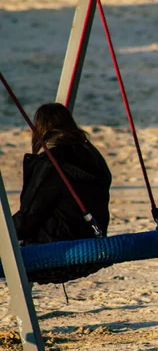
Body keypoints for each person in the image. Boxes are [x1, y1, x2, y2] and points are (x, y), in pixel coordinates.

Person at [12, 103, 112, 245]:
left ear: (41, 129)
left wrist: (6, 231)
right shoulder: (92, 155)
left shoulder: (52, 163)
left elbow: (30, 216)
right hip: (94, 240)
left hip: (57, 248)